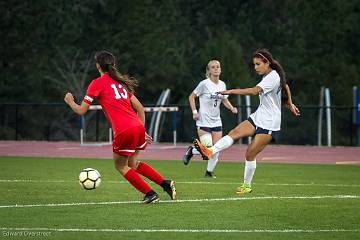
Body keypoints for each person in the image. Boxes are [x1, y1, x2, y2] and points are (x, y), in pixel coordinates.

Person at [64, 50, 176, 204]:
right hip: (137, 126)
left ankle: (150, 194)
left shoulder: (96, 83)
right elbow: (140, 109)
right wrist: (142, 131)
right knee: (133, 164)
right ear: (113, 65)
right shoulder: (121, 84)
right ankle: (165, 183)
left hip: (124, 130)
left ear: (97, 66)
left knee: (121, 166)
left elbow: (81, 110)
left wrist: (70, 101)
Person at [193, 49, 300, 193]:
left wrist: (230, 91)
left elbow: (254, 91)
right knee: (234, 132)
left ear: (267, 63)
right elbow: (285, 86)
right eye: (254, 64)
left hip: (269, 122)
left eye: (258, 64)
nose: (255, 67)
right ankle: (209, 151)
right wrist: (290, 103)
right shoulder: (271, 75)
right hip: (258, 116)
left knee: (250, 154)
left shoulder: (272, 77)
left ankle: (247, 186)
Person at [182, 60, 238, 178]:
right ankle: (191, 151)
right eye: (213, 67)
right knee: (207, 151)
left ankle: (208, 172)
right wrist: (194, 112)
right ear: (209, 70)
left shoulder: (222, 85)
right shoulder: (204, 84)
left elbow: (224, 100)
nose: (216, 69)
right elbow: (191, 97)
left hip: (216, 121)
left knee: (216, 149)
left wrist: (232, 108)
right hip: (203, 121)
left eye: (218, 67)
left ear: (220, 69)